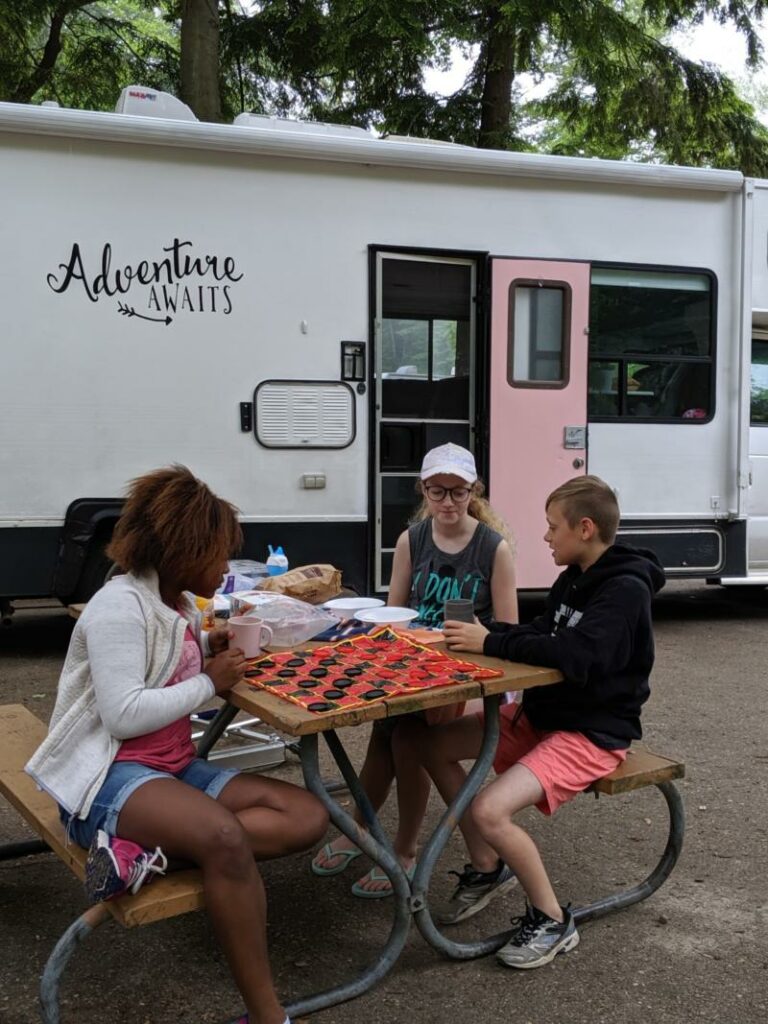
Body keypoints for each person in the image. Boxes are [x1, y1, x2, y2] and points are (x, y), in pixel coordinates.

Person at [26, 466, 328, 1024]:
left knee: (306, 814)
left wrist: (205, 642)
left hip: (170, 768)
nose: (225, 567)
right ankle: (266, 1015)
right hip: (107, 775)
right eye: (216, 554)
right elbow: (122, 714)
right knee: (224, 839)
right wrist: (210, 681)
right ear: (180, 549)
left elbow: (166, 662)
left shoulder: (178, 601)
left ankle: (146, 855)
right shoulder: (120, 607)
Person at [414, 474, 665, 968]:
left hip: (590, 733)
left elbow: (576, 655)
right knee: (422, 742)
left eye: (553, 527)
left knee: (490, 810)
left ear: (585, 528)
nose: (546, 536)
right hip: (543, 716)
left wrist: (489, 642)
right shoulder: (576, 574)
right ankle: (487, 866)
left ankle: (552, 919)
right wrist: (484, 633)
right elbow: (541, 631)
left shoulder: (624, 590)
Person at [311, 442, 517, 896]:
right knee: (384, 736)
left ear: (474, 490)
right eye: (437, 491)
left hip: (459, 668)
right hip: (409, 662)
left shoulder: (492, 548)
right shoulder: (412, 539)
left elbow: (508, 629)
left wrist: (480, 646)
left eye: (457, 492)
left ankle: (404, 849)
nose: (447, 502)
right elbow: (395, 611)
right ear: (423, 490)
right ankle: (362, 829)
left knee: (407, 740)